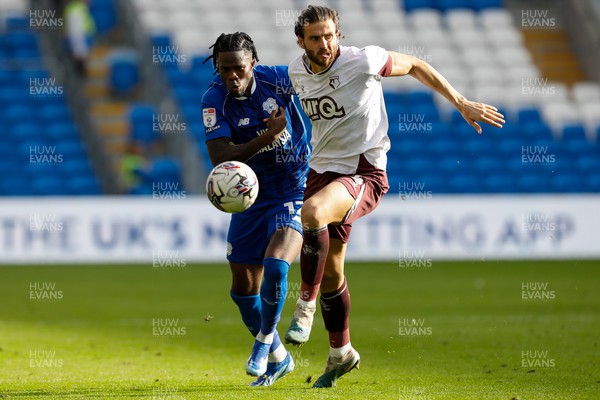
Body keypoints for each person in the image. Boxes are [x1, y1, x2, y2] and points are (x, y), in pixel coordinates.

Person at [284, 5, 505, 388]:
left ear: (340, 34)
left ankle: (303, 308)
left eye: (331, 35)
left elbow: (416, 64)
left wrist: (460, 101)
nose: (325, 44)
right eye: (316, 38)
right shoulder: (295, 71)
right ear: (301, 41)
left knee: (313, 213)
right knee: (333, 268)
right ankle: (341, 353)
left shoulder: (363, 60)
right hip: (321, 172)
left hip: (363, 171)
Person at [201, 32, 310, 386]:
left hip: (291, 188)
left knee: (277, 265)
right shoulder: (213, 99)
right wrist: (268, 136)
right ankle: (280, 357)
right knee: (243, 291)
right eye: (224, 69)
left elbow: (318, 83)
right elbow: (219, 156)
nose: (232, 76)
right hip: (248, 196)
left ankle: (263, 342)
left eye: (239, 68)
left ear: (253, 64)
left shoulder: (279, 79)